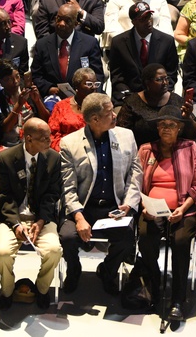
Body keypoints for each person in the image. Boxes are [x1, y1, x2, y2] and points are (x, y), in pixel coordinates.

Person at [58, 93, 141, 294]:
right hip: (83, 206)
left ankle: (108, 270)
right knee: (67, 237)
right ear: (95, 119)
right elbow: (67, 187)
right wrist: (78, 217)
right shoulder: (70, 143)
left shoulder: (126, 136)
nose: (115, 115)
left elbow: (135, 172)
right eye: (110, 112)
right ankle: (74, 269)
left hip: (114, 207)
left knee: (127, 237)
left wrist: (128, 204)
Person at [136, 105, 196, 319]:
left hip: (183, 209)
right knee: (146, 237)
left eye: (171, 125)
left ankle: (178, 299)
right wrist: (144, 207)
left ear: (179, 128)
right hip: (151, 209)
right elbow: (135, 183)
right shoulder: (146, 149)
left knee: (181, 241)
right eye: (162, 125)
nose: (165, 128)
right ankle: (154, 287)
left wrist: (182, 209)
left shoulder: (190, 147)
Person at [0, 117, 62, 310]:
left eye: (49, 137)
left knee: (54, 251)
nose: (49, 141)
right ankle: (7, 291)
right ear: (29, 138)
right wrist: (16, 224)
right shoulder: (6, 158)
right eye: (44, 138)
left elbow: (52, 195)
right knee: (4, 253)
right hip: (12, 218)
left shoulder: (53, 158)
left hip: (41, 217)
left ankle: (41, 289)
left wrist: (40, 222)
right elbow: (4, 196)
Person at [110, 2, 179, 102]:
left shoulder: (167, 41)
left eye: (149, 16)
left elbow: (171, 74)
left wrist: (161, 93)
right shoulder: (119, 43)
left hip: (159, 96)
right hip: (129, 97)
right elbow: (117, 77)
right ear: (133, 22)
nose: (148, 21)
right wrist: (132, 98)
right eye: (143, 19)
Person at [31, 2, 105, 96]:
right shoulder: (42, 44)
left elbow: (97, 76)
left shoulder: (90, 43)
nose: (61, 24)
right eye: (59, 19)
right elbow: (36, 75)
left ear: (76, 23)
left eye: (67, 20)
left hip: (83, 98)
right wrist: (49, 88)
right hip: (51, 98)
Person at [117, 62, 191, 145]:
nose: (165, 82)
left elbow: (193, 133)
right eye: (159, 79)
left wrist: (188, 118)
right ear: (147, 82)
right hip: (141, 151)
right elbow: (121, 133)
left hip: (173, 151)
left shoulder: (176, 100)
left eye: (166, 78)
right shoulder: (132, 102)